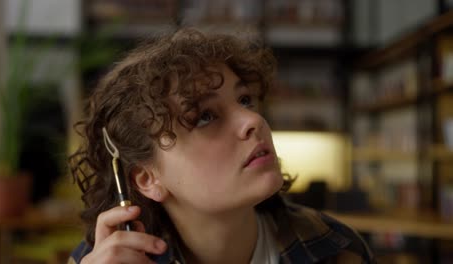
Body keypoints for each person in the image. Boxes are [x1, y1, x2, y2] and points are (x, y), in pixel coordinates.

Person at [68, 28, 376, 264]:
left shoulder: (337, 248)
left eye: (244, 100)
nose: (251, 120)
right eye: (204, 117)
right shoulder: (104, 259)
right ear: (148, 180)